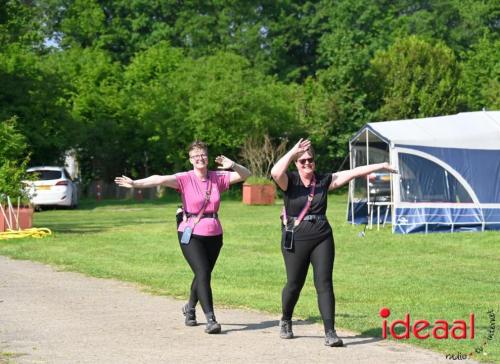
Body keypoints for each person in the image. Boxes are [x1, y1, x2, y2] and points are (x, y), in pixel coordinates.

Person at [115, 141, 251, 334]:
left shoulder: (217, 177)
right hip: (191, 232)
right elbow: (159, 179)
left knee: (202, 274)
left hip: (214, 233)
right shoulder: (184, 178)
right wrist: (135, 183)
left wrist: (233, 165)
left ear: (207, 156)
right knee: (203, 272)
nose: (200, 159)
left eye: (203, 155)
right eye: (196, 156)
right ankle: (211, 319)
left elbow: (246, 175)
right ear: (190, 160)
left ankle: (190, 308)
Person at [270, 139, 396, 346]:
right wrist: (294, 151)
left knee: (324, 283)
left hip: (322, 236)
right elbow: (275, 172)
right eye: (302, 161)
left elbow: (354, 171)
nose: (307, 164)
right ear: (295, 163)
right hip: (296, 237)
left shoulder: (323, 180)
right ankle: (286, 319)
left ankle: (330, 332)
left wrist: (381, 165)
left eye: (310, 160)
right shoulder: (289, 181)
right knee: (294, 284)